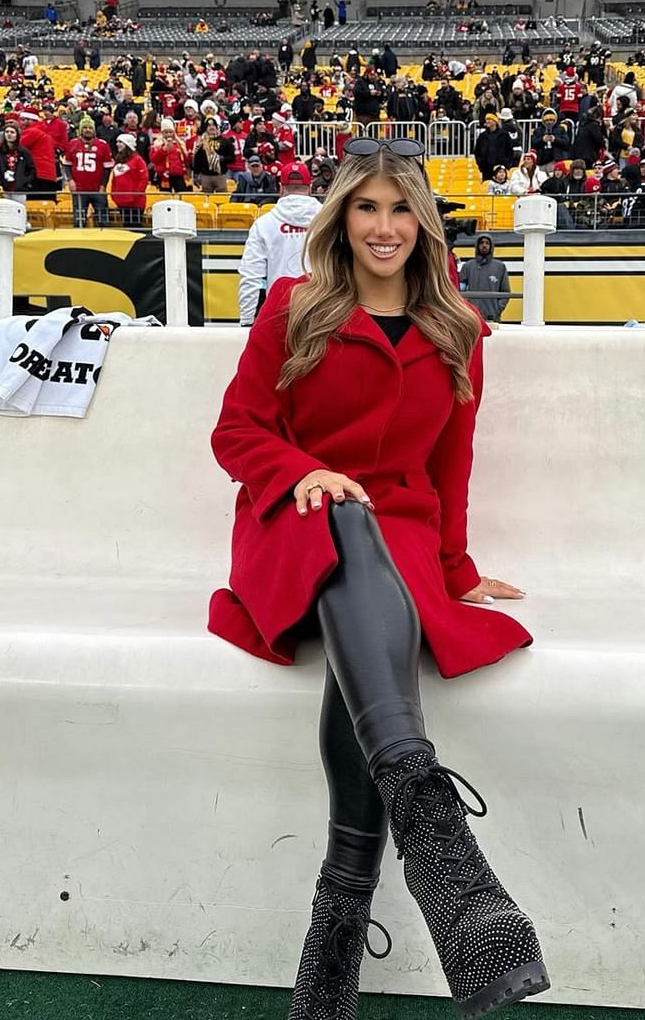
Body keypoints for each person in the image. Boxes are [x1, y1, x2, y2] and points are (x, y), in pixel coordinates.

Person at [208, 142, 543, 1017]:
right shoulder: (294, 306)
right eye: (367, 208)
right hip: (291, 522)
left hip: (399, 541)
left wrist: (457, 572)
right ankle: (445, 857)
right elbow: (235, 435)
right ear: (340, 219)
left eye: (401, 210)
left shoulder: (459, 329)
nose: (385, 227)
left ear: (425, 222)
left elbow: (451, 465)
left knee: (369, 605)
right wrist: (302, 473)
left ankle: (332, 945)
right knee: (346, 518)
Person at [237, 165, 321, 327]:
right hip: (320, 313)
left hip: (279, 315)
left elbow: (250, 275)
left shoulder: (264, 224)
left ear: (281, 188)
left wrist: (247, 321)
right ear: (310, 188)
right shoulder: (329, 220)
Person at [458, 235, 510, 324]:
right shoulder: (468, 266)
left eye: (487, 243)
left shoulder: (500, 267)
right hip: (472, 318)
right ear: (477, 246)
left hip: (492, 318)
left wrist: (496, 310)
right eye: (481, 243)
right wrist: (466, 309)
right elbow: (460, 291)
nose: (484, 245)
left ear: (491, 246)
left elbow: (505, 292)